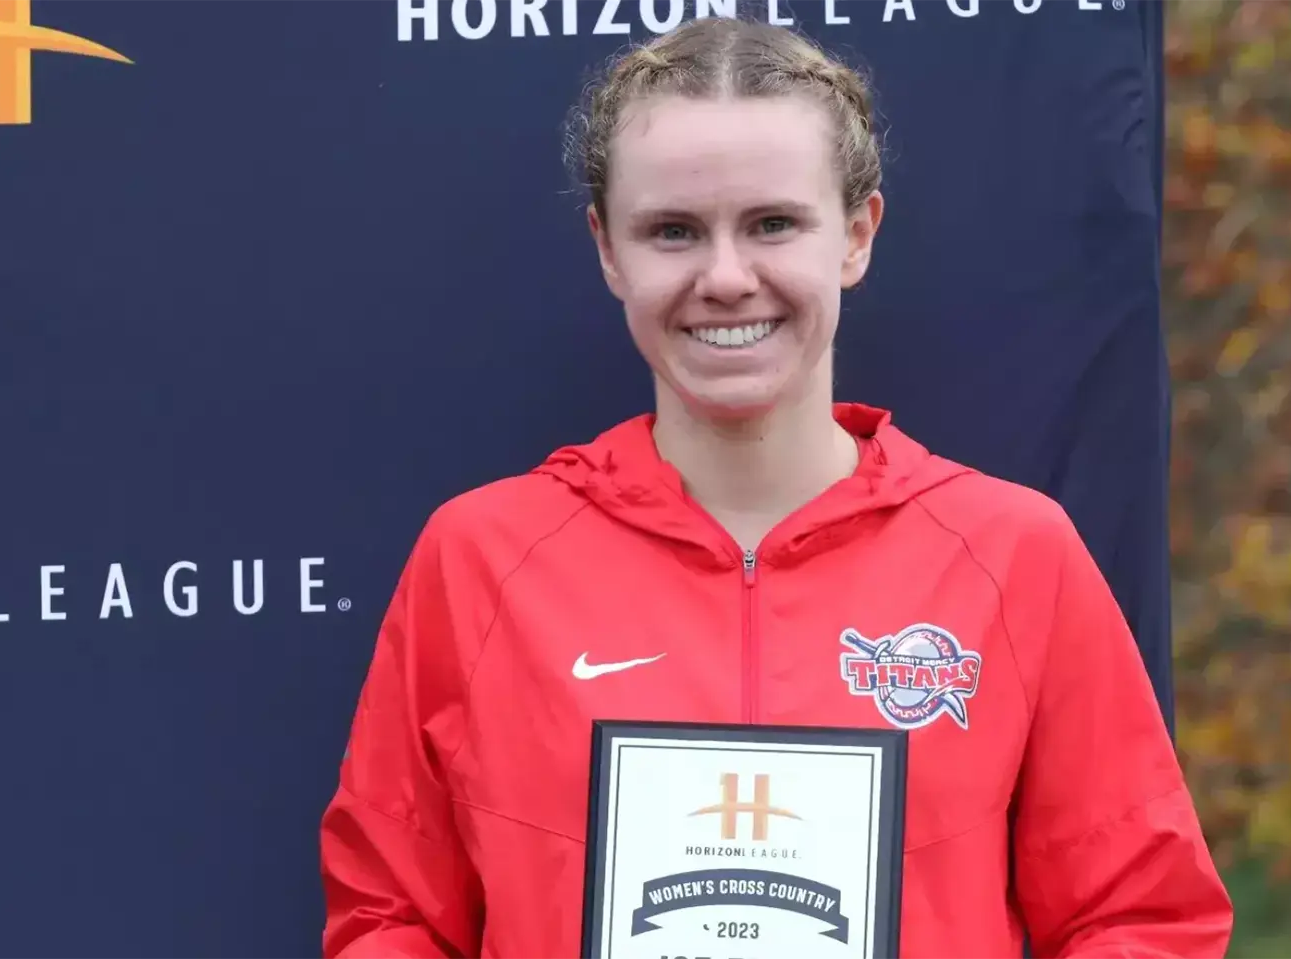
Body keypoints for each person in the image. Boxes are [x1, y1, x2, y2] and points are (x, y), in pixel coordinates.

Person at [319, 14, 1231, 959]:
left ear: (857, 235)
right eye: (673, 231)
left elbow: (1141, 917)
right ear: (608, 250)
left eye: (773, 224)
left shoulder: (1014, 554)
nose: (726, 277)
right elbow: (389, 916)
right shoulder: (479, 559)